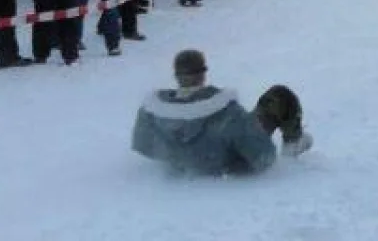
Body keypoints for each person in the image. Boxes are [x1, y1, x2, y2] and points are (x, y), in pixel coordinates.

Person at [131, 49, 312, 176]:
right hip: (226, 162)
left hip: (187, 160)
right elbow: (263, 157)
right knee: (279, 95)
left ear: (176, 75)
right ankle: (293, 143)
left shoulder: (154, 109)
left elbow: (143, 146)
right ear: (203, 74)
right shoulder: (225, 109)